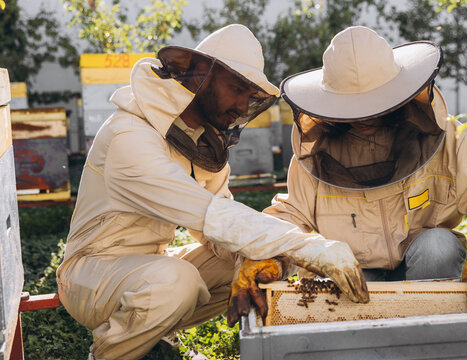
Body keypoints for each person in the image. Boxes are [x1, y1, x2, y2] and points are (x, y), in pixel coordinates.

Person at [56, 24, 368, 360]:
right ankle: (110, 354)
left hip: (148, 265)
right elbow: (209, 214)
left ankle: (157, 336)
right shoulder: (130, 136)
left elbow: (219, 230)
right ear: (201, 75)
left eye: (249, 96)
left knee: (253, 259)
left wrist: (254, 260)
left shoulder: (199, 141)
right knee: (178, 281)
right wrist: (309, 246)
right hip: (90, 271)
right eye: (236, 88)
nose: (241, 105)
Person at [263, 26, 467, 310]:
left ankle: (437, 335)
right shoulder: (316, 153)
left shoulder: (448, 138)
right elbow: (290, 216)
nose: (364, 114)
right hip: (354, 275)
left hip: (427, 270)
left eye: (374, 101)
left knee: (439, 247)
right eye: (351, 105)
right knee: (345, 282)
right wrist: (268, 255)